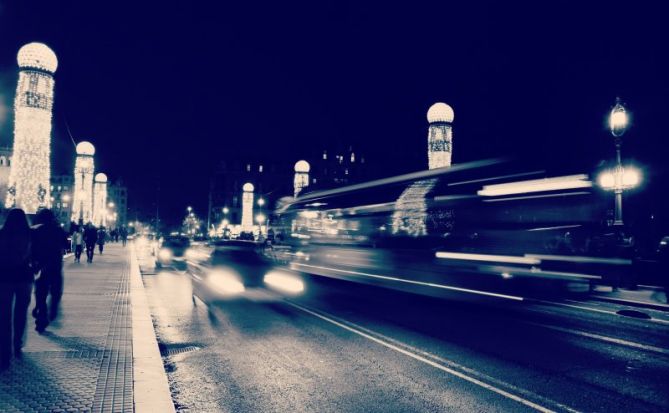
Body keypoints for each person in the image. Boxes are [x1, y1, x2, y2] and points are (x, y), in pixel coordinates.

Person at [0, 209, 34, 370]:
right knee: (20, 313)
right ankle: (17, 344)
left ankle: (4, 353)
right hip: (24, 279)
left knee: (4, 317)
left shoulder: (2, 233)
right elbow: (36, 255)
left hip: (4, 279)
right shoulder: (29, 234)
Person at [31, 208, 68, 333]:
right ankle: (52, 310)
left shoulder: (35, 230)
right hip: (55, 265)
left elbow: (31, 248)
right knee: (56, 291)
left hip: (41, 266)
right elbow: (66, 245)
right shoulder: (58, 230)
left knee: (40, 293)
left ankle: (41, 317)